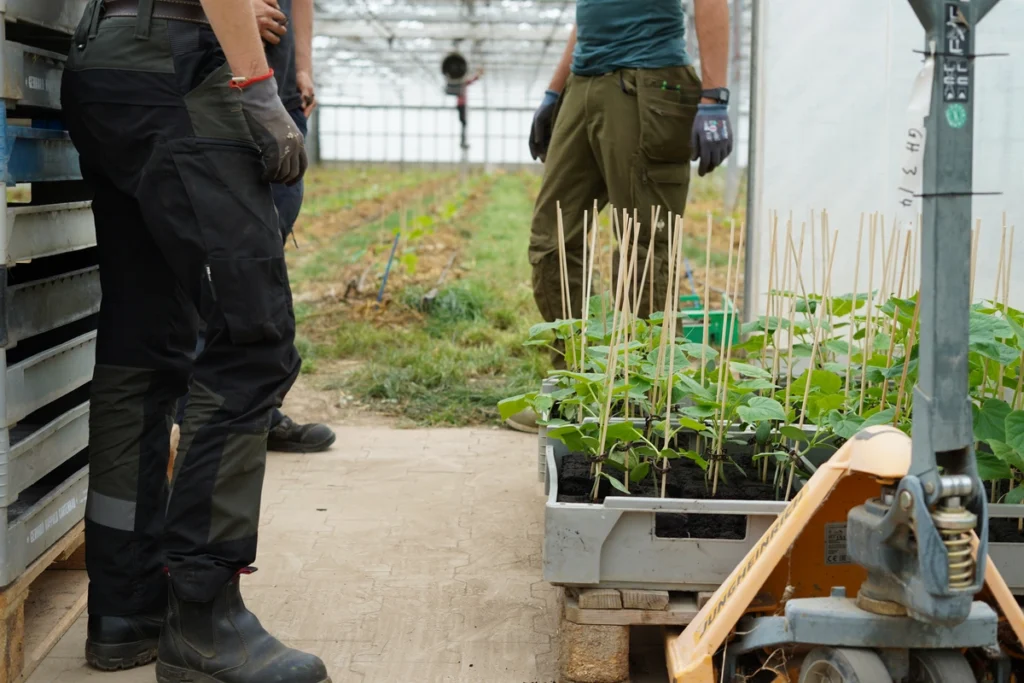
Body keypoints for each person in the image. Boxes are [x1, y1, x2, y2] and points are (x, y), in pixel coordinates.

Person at [62, 1, 327, 681]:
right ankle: (205, 614)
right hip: (182, 62)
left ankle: (125, 605)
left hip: (113, 58)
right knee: (251, 338)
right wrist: (255, 82)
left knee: (142, 348)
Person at [507, 0, 733, 433]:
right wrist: (554, 92)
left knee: (642, 243)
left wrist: (714, 95)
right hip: (583, 84)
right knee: (552, 237)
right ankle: (576, 382)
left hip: (647, 82)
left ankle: (640, 394)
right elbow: (588, 16)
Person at [171, 0, 335, 455]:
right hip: (222, 83)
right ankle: (202, 421)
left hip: (275, 88)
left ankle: (248, 409)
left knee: (260, 257)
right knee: (218, 261)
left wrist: (302, 69)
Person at [457, 68, 483, 150]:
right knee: (464, 123)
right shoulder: (462, 82)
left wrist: (478, 75)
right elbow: (472, 80)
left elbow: (472, 80)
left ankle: (463, 141)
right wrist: (478, 74)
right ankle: (463, 142)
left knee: (464, 123)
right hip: (462, 105)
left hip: (461, 105)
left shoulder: (461, 82)